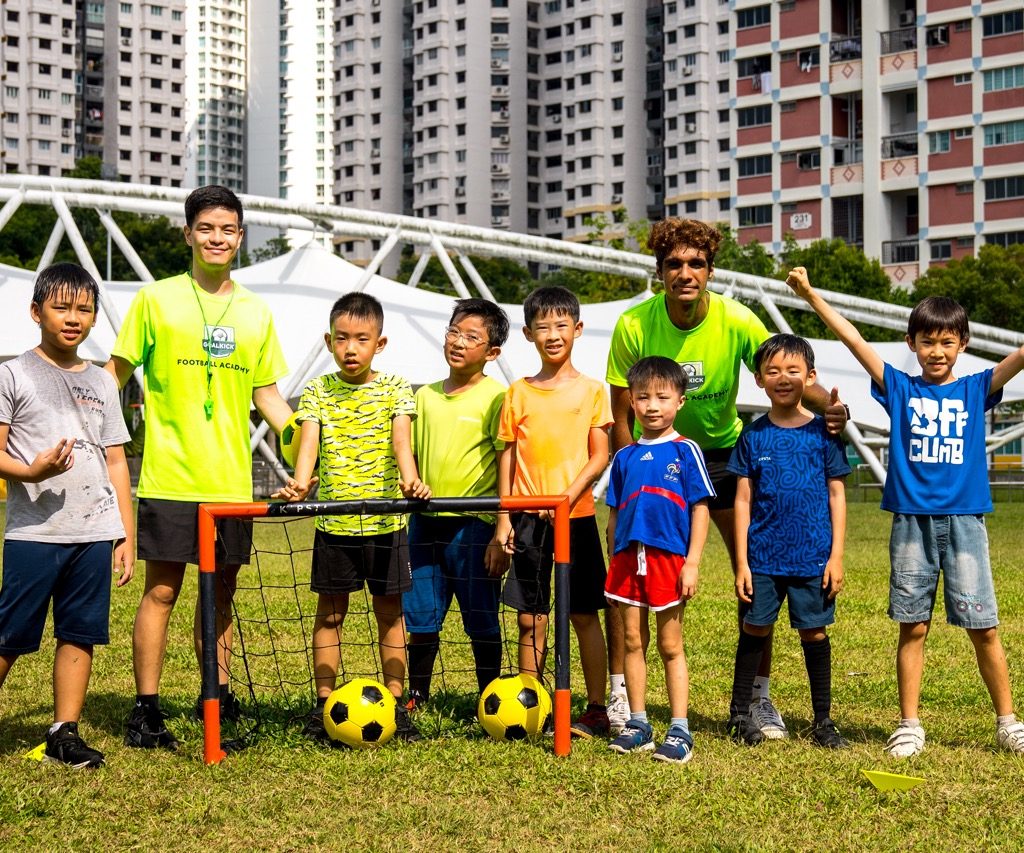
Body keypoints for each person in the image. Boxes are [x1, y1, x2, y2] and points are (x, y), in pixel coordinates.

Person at [605, 218, 847, 737]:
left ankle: (758, 698)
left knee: (754, 575)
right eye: (674, 264)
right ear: (660, 272)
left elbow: (786, 371)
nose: (685, 273)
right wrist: (635, 476)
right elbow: (621, 412)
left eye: (696, 263)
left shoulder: (738, 320)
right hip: (657, 459)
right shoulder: (632, 325)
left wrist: (832, 408)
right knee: (638, 577)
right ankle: (626, 692)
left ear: (710, 270)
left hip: (723, 455)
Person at [786, 267, 1024, 756]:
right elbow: (852, 338)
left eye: (947, 342)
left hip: (965, 523)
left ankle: (1008, 722)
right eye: (928, 341)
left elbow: (1019, 356)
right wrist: (810, 294)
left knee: (985, 627)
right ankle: (910, 724)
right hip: (911, 524)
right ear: (911, 343)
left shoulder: (975, 388)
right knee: (912, 625)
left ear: (963, 344)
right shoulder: (899, 388)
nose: (937, 351)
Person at [107, 185, 293, 750]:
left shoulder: (257, 311)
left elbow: (268, 397)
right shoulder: (155, 300)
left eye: (229, 229)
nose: (218, 238)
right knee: (162, 592)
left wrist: (309, 435)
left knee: (223, 594)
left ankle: (217, 692)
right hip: (169, 476)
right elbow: (110, 378)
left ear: (241, 237)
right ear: (187, 234)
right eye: (207, 228)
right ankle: (145, 709)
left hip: (231, 483)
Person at [275, 292, 430, 742]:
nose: (351, 348)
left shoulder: (397, 387)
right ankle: (324, 704)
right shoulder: (318, 391)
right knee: (330, 616)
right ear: (328, 340)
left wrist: (411, 481)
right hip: (334, 526)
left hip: (386, 525)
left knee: (390, 614)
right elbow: (309, 445)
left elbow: (402, 441)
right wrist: (301, 483)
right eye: (342, 338)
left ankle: (396, 705)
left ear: (379, 343)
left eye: (362, 339)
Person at [0, 263, 135, 768]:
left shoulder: (102, 381)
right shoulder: (12, 374)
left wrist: (125, 533)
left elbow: (116, 459)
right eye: (61, 307)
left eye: (84, 308)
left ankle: (64, 733)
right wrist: (31, 472)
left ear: (95, 317)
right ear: (36, 312)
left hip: (94, 531)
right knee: (10, 633)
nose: (73, 317)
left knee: (79, 632)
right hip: (36, 533)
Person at [495, 285, 612, 738]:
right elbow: (507, 457)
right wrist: (505, 517)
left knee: (583, 614)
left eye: (561, 324)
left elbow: (599, 455)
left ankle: (598, 708)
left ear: (578, 329)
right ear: (528, 334)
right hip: (526, 520)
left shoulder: (593, 391)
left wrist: (566, 496)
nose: (553, 333)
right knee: (531, 615)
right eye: (542, 326)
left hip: (576, 518)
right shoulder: (517, 393)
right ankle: (534, 704)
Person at [726, 334, 851, 749]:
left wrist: (835, 557)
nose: (783, 378)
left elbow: (837, 495)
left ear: (810, 377)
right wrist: (742, 562)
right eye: (773, 371)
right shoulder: (753, 435)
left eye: (793, 370)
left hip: (813, 557)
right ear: (759, 379)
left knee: (813, 633)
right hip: (762, 557)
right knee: (756, 626)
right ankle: (740, 715)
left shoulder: (824, 434)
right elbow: (742, 499)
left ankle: (823, 721)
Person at [403, 299, 511, 706]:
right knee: (421, 615)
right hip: (424, 524)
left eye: (472, 337)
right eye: (454, 332)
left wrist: (502, 526)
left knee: (481, 616)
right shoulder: (424, 396)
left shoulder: (498, 397)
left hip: (474, 527)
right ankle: (417, 693)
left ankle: (490, 696)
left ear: (492, 352)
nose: (458, 342)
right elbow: (407, 452)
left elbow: (507, 462)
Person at [604, 357, 712, 764]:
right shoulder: (626, 456)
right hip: (629, 561)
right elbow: (614, 514)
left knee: (670, 645)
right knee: (633, 640)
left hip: (669, 561)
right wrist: (614, 558)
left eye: (662, 397)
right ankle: (638, 722)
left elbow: (700, 509)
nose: (652, 405)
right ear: (631, 401)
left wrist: (693, 562)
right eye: (643, 397)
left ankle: (680, 728)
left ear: (680, 402)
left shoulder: (686, 452)